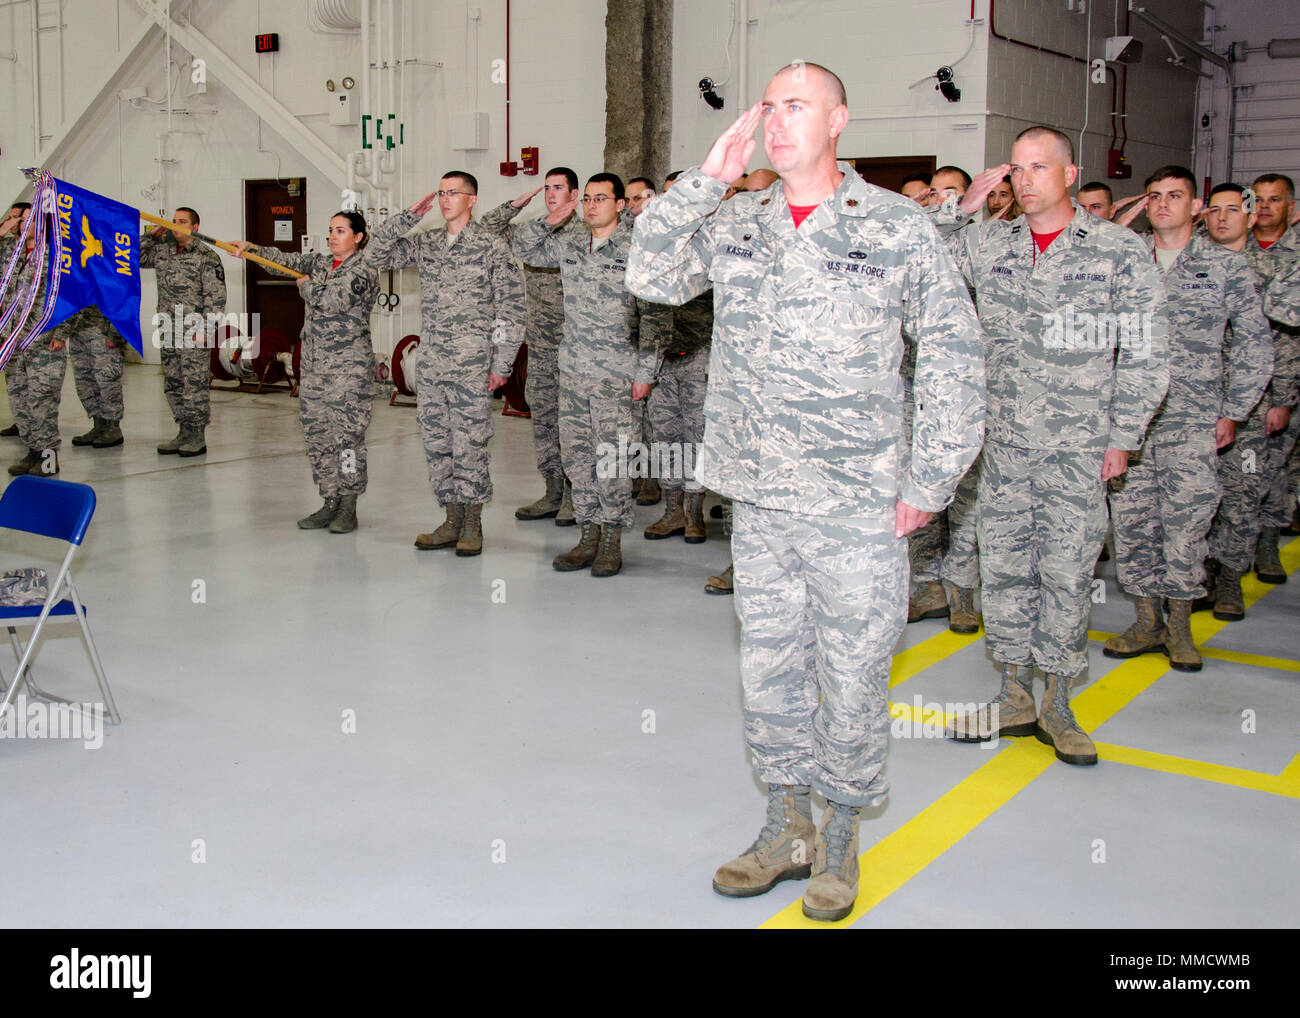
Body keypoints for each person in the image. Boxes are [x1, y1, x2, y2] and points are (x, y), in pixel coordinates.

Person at [628, 62, 985, 922]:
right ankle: (786, 826)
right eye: (769, 108)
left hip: (857, 500)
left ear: (838, 121)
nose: (778, 122)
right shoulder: (738, 219)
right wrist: (702, 182)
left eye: (798, 106)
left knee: (854, 672)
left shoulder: (894, 225)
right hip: (760, 496)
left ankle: (842, 833)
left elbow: (953, 352)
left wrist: (930, 480)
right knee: (770, 669)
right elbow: (649, 274)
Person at [943, 127, 1169, 767]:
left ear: (1070, 174)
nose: (1025, 180)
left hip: (1077, 447)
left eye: (1039, 168)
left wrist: (1124, 436)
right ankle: (1014, 695)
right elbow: (915, 258)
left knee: (1067, 574)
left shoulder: (1117, 250)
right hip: (1002, 445)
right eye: (1016, 169)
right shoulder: (988, 243)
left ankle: (1059, 703)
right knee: (1005, 569)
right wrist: (959, 209)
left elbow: (1147, 350)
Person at [1103, 167, 1271, 670]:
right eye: (1154, 196)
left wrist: (1235, 410)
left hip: (1192, 420)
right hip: (1130, 423)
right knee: (1132, 524)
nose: (1162, 204)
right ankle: (1146, 620)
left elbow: (1255, 342)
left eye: (1175, 196)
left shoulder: (1224, 266)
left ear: (1195, 207)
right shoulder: (1125, 261)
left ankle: (1179, 627)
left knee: (1186, 524)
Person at [515, 172, 669, 577]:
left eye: (600, 198)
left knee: (613, 460)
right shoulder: (570, 244)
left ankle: (611, 541)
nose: (591, 205)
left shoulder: (637, 248)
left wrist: (646, 372)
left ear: (620, 204)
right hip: (573, 372)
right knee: (578, 457)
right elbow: (523, 246)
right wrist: (554, 217)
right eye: (586, 199)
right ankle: (587, 535)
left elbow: (655, 316)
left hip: (617, 374)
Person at [366, 172, 525, 556]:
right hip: (433, 364)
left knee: (470, 444)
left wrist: (502, 364)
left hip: (472, 365)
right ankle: (452, 520)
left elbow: (511, 309)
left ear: (472, 199)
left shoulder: (491, 246)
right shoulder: (428, 242)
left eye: (453, 192)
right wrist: (409, 216)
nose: (445, 199)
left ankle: (472, 524)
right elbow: (375, 254)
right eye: (441, 193)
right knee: (438, 444)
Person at [234, 212, 380, 533]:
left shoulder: (364, 270)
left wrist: (306, 286)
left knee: (347, 438)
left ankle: (348, 504)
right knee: (317, 435)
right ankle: (329, 500)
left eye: (340, 230)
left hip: (348, 370)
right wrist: (252, 250)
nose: (333, 236)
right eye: (330, 230)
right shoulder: (321, 264)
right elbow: (284, 261)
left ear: (357, 237)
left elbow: (333, 301)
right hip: (313, 368)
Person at [1202, 182, 1300, 615]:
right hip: (1197, 405)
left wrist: (1282, 399)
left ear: (1249, 216)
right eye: (1215, 210)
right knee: (1198, 497)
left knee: (1243, 494)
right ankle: (1200, 575)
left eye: (1233, 209)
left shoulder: (1271, 268)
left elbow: (1283, 342)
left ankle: (1230, 578)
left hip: (1250, 408)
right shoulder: (1193, 264)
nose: (1222, 217)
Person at [479, 167, 585, 524]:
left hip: (574, 347)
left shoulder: (584, 234)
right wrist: (515, 204)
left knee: (573, 425)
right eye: (547, 188)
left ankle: (575, 495)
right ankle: (553, 491)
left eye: (558, 188)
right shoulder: (532, 233)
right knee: (544, 421)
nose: (550, 194)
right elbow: (487, 229)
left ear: (574, 195)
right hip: (540, 346)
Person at [1245, 173, 1300, 584]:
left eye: (1274, 199)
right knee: (1239, 470)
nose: (1264, 207)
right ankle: (1234, 552)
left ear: (1290, 208)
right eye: (1257, 199)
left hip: (1284, 380)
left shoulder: (1297, 256)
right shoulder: (1232, 249)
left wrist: (1283, 397)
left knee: (1275, 467)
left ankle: (1267, 544)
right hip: (1239, 384)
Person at [140, 206, 226, 457]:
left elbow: (216, 299)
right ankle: (183, 431)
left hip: (194, 331)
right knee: (173, 382)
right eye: (173, 221)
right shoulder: (163, 251)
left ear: (195, 227)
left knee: (193, 384)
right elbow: (130, 257)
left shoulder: (206, 256)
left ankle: (196, 435)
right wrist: (152, 236)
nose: (176, 225)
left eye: (182, 221)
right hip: (168, 328)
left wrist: (206, 330)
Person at [0, 202, 66, 476]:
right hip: (14, 341)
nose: (24, 224)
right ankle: (33, 452)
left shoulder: (54, 256)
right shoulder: (13, 256)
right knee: (21, 401)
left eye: (30, 219)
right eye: (22, 219)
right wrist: (5, 231)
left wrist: (61, 333)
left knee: (42, 403)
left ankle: (49, 460)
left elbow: (68, 296)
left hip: (42, 342)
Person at [67, 306, 127, 449]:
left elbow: (122, 299)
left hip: (102, 330)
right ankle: (99, 426)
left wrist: (116, 332)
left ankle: (113, 428)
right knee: (85, 382)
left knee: (107, 381)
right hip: (78, 330)